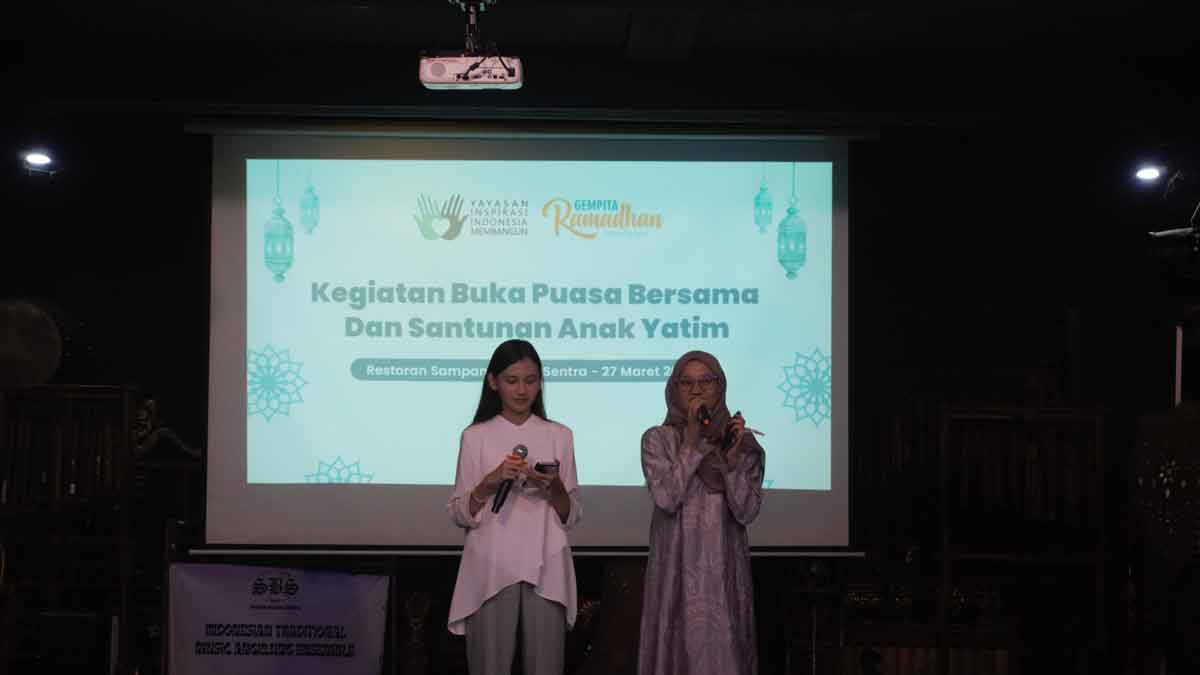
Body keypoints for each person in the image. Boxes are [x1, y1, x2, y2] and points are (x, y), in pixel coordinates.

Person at [447, 339, 582, 675]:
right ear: (493, 382)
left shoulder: (560, 435)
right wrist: (489, 482)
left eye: (530, 380)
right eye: (512, 380)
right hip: (490, 563)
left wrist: (553, 487)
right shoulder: (475, 436)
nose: (522, 390)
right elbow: (459, 512)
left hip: (547, 563)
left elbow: (571, 514)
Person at [637, 350, 765, 675]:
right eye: (686, 383)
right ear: (674, 389)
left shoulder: (740, 443)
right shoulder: (658, 440)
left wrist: (731, 463)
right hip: (676, 576)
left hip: (724, 578)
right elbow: (667, 497)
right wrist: (691, 442)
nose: (696, 390)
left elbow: (747, 511)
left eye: (706, 381)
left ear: (720, 387)